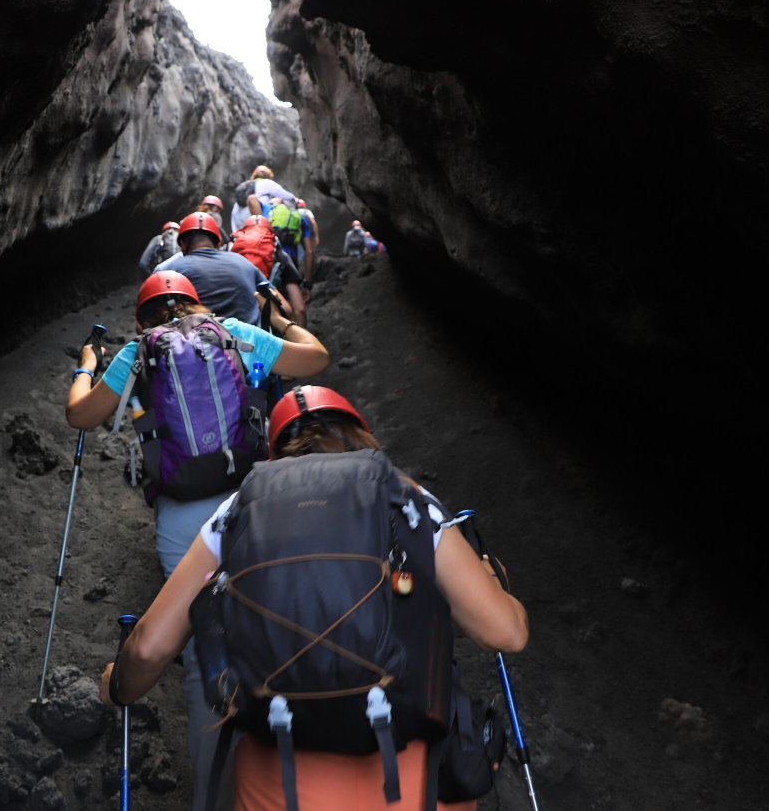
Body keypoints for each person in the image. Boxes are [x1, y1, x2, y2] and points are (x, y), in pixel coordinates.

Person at [98, 385, 528, 811]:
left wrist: (117, 687)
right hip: (410, 781)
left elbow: (151, 647)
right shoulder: (407, 500)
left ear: (275, 454)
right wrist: (499, 587)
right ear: (362, 436)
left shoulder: (238, 510)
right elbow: (505, 634)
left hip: (278, 780)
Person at [67, 274, 330, 811]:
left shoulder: (137, 351)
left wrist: (86, 366)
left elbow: (81, 415)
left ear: (142, 319)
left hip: (181, 522)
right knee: (275, 627)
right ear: (195, 303)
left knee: (200, 647)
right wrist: (281, 321)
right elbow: (316, 361)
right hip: (254, 503)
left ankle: (212, 795)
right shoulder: (230, 331)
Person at [159, 211, 268, 328]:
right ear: (218, 244)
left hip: (194, 344)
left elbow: (146, 322)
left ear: (182, 244)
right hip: (251, 343)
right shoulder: (244, 262)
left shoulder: (168, 270)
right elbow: (283, 307)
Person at [230, 165, 298, 233]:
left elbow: (234, 214)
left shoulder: (244, 189)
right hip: (257, 223)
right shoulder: (266, 183)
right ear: (268, 176)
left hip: (241, 226)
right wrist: (295, 203)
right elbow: (288, 197)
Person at [296, 199, 319, 299]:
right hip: (307, 234)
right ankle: (307, 279)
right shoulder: (307, 212)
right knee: (308, 252)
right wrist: (316, 237)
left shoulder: (294, 212)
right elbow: (313, 223)